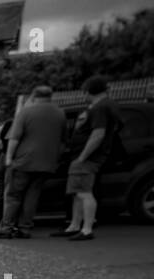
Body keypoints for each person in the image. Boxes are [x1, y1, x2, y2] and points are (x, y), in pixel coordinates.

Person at [0, 86, 66, 239]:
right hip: (46, 162)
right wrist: (55, 158)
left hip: (24, 161)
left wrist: (9, 158)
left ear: (33, 96)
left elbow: (14, 138)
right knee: (33, 196)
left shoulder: (26, 112)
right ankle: (25, 228)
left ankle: (6, 228)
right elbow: (63, 141)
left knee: (13, 196)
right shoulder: (60, 113)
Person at [54, 75, 121, 241]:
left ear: (89, 91)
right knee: (77, 193)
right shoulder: (106, 106)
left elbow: (98, 134)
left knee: (84, 193)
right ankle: (75, 226)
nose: (83, 95)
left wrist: (83, 156)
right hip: (86, 156)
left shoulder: (100, 108)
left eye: (84, 91)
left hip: (87, 157)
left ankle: (86, 229)